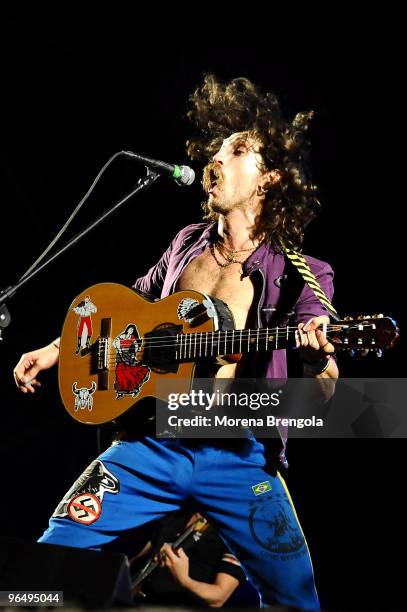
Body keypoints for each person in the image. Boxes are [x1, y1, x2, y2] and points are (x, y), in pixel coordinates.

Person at [13, 74, 338, 610]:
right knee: (50, 557)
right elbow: (124, 314)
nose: (215, 161)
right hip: (151, 442)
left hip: (238, 455)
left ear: (270, 178)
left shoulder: (305, 275)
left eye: (235, 151)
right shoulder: (185, 244)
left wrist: (316, 362)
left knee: (296, 600)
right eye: (214, 150)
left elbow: (326, 394)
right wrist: (54, 349)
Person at [130, 509, 252, 607]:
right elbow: (146, 552)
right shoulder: (179, 511)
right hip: (138, 601)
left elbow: (218, 598)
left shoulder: (238, 532)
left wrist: (184, 580)